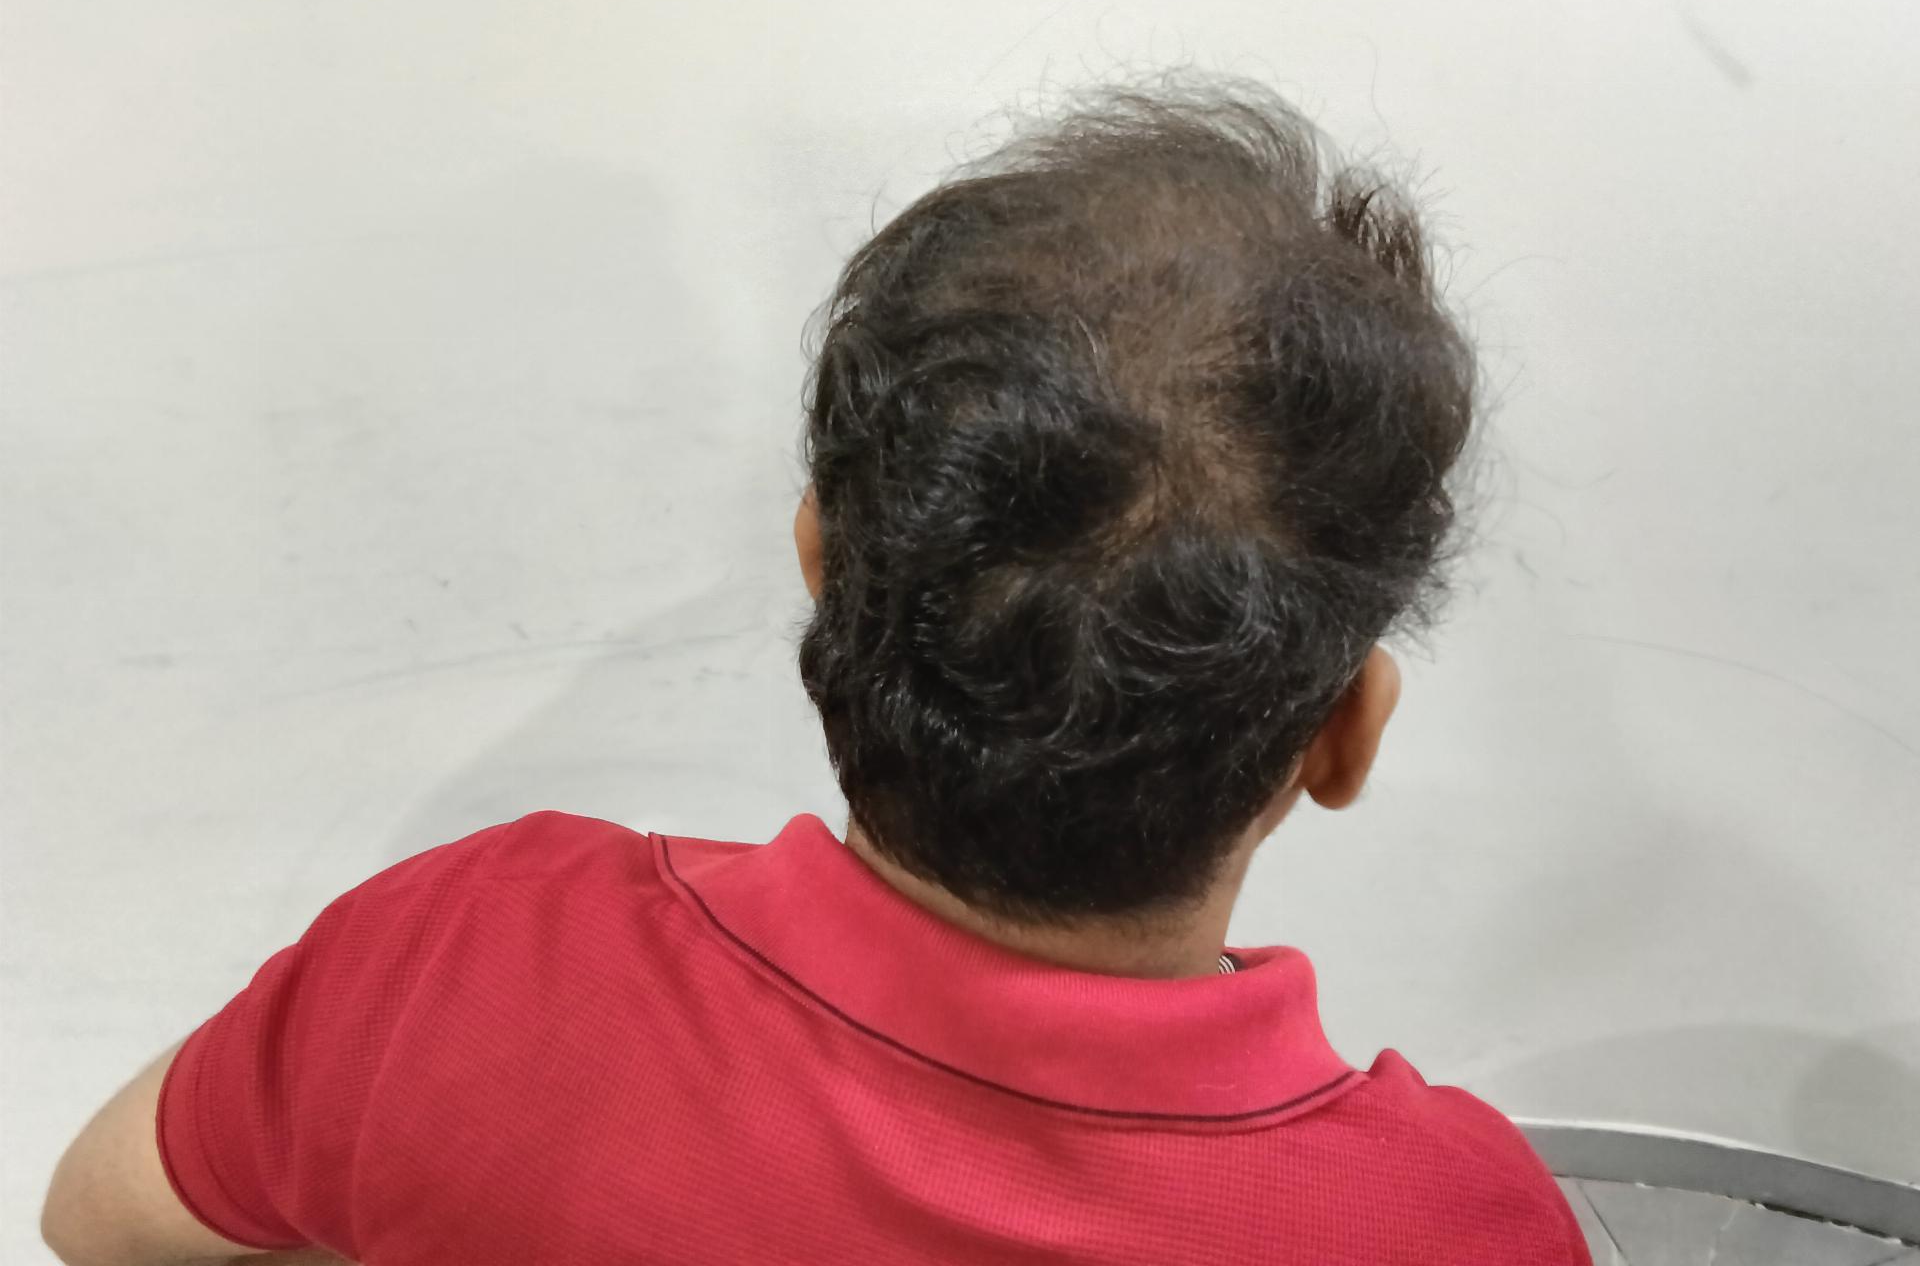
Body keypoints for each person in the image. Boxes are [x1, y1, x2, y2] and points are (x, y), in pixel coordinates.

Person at [44, 70, 1590, 1264]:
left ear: (819, 562)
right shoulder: (1447, 1226)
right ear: (1345, 733)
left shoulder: (467, 956)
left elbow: (98, 1218)